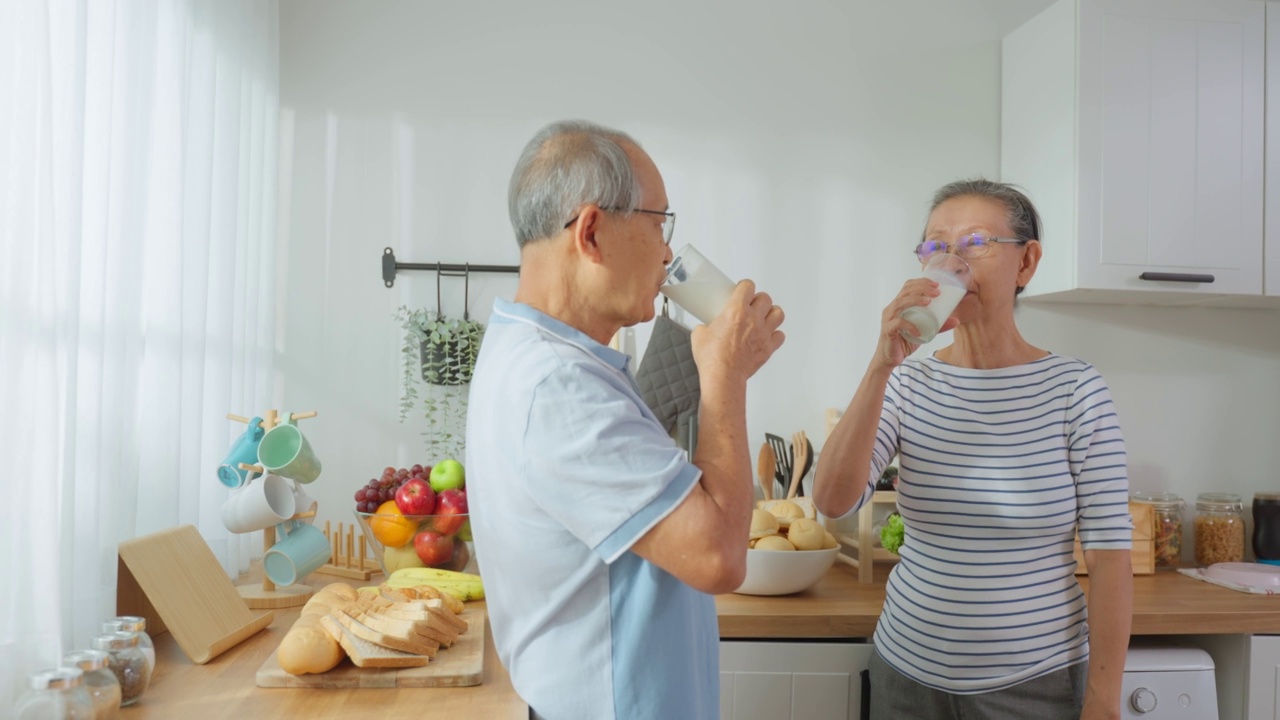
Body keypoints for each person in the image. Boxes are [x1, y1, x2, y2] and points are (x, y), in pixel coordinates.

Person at [465, 120, 785, 720]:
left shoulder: (531, 352)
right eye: (659, 223)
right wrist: (726, 378)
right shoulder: (560, 386)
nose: (669, 251)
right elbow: (719, 557)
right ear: (591, 232)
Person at [814, 179, 1133, 720]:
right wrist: (880, 365)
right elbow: (832, 502)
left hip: (1038, 684)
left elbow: (1109, 560)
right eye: (936, 247)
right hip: (906, 675)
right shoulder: (906, 384)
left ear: (1026, 263)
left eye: (975, 242)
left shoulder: (1075, 390)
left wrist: (1103, 701)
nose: (950, 261)